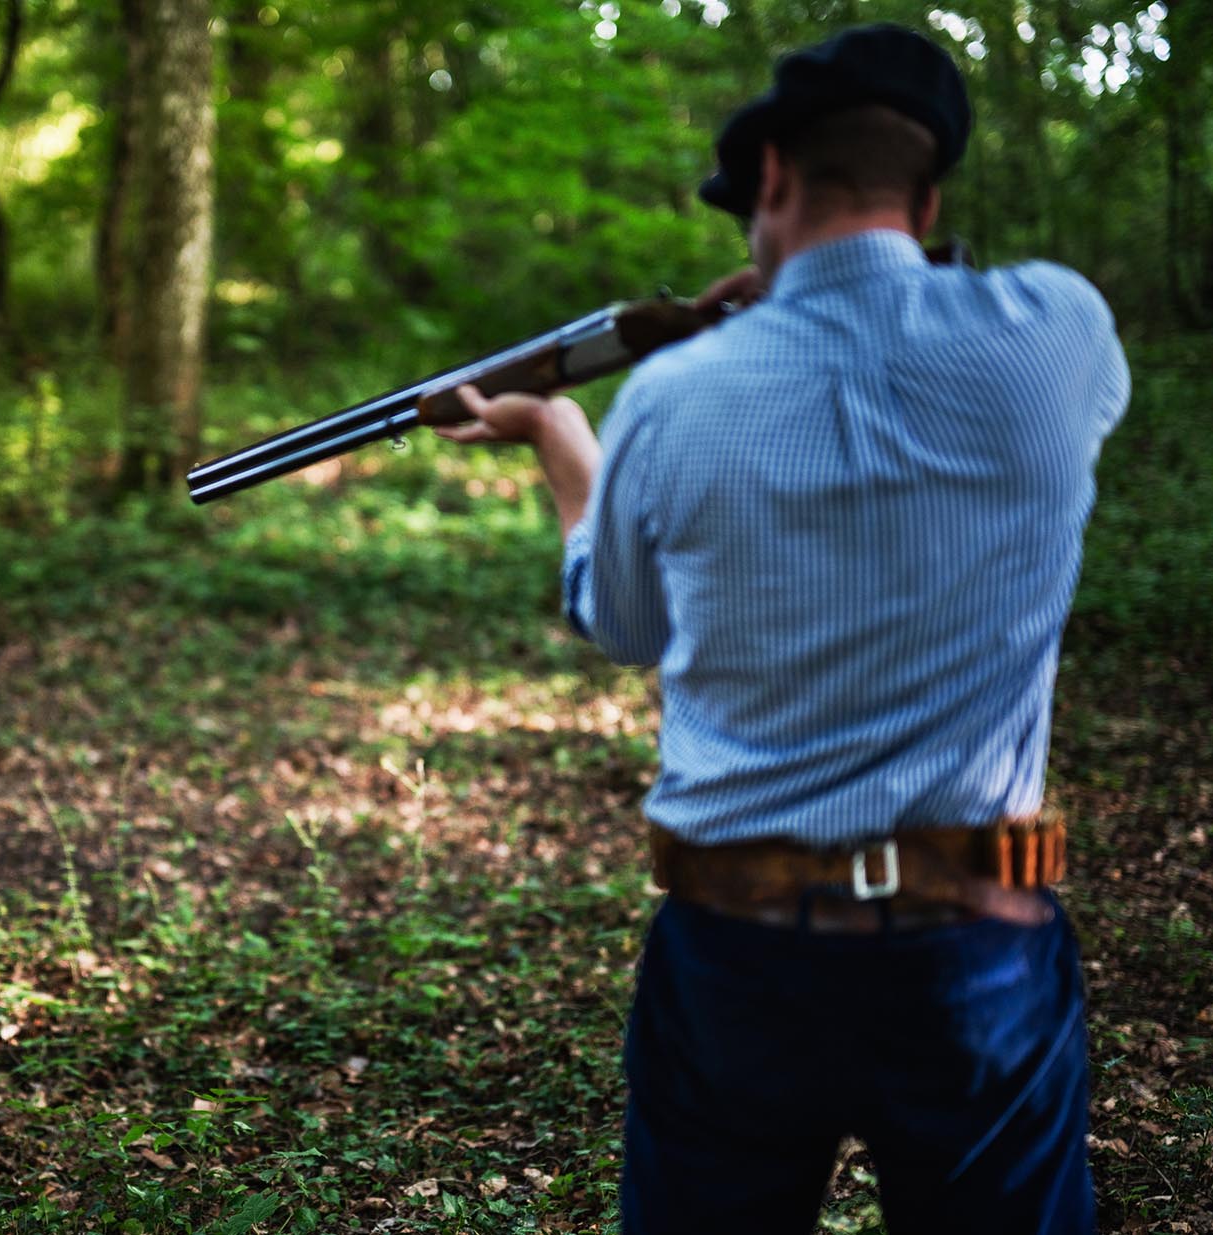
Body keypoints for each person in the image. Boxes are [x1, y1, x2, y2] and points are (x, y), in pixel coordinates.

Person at [434, 23, 1130, 1235]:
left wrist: (555, 434)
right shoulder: (1057, 333)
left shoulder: (672, 392)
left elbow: (620, 621)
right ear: (924, 194)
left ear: (768, 180)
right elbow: (940, 329)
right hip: (976, 942)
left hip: (737, 945)